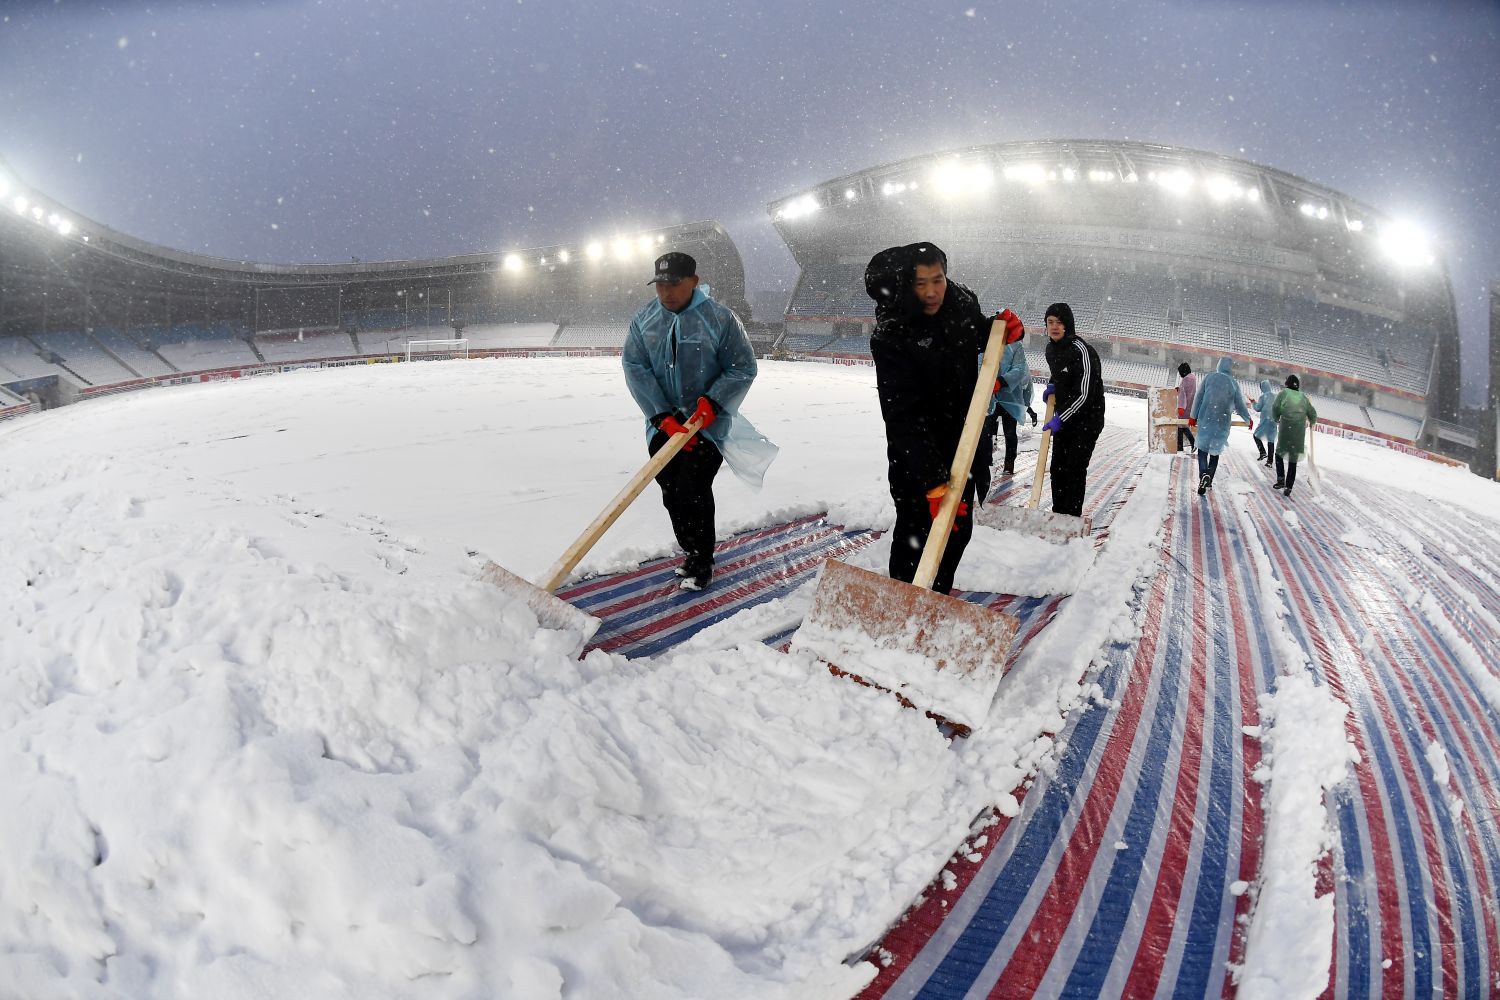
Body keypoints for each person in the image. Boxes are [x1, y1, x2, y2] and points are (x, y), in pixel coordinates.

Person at [865, 242, 1022, 595]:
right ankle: (902, 608)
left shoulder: (961, 305)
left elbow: (969, 334)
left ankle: (935, 600)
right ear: (907, 284)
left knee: (957, 534)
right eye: (921, 284)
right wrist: (932, 482)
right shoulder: (893, 333)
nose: (933, 291)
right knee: (916, 536)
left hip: (963, 446)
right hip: (917, 458)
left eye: (938, 280)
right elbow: (902, 415)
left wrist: (999, 329)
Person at [622, 252, 774, 591]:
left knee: (693, 489)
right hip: (662, 423)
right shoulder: (644, 319)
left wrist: (713, 401)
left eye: (674, 284)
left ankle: (702, 558)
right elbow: (635, 367)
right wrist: (661, 414)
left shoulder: (719, 319)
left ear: (693, 281)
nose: (666, 293)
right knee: (671, 490)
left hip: (706, 424)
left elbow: (743, 367)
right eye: (660, 285)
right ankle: (690, 548)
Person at [1040, 303, 1105, 518]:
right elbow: (1061, 375)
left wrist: (1061, 417)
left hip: (1087, 420)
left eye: (1060, 322)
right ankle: (1058, 515)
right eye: (1050, 322)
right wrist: (1053, 384)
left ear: (1068, 325)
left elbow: (1084, 394)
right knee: (1058, 469)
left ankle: (1072, 518)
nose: (1055, 327)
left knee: (1074, 470)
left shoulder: (1082, 351)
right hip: (1065, 417)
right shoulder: (1051, 349)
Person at [1188, 356, 1252, 496]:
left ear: (1219, 365)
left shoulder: (1209, 378)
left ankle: (1203, 474)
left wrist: (1193, 416)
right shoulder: (1234, 384)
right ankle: (1209, 477)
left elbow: (1198, 397)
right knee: (1215, 451)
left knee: (1203, 450)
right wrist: (1248, 419)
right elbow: (1240, 405)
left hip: (1206, 418)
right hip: (1222, 422)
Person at [991, 309, 1033, 476]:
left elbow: (1020, 369)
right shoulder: (988, 341)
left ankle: (1009, 463)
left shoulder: (1016, 346)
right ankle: (987, 460)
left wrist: (1002, 381)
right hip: (990, 397)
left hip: (1010, 398)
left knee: (1010, 432)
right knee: (987, 430)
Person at [1272, 373, 1317, 497]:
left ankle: (1281, 478)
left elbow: (1276, 407)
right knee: (1293, 459)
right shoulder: (1303, 397)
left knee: (1279, 453)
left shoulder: (1284, 393)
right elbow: (1312, 412)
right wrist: (1313, 421)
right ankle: (1289, 486)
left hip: (1286, 429)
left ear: (1287, 384)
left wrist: (1276, 417)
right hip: (1298, 433)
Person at [1251, 378, 1278, 467]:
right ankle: (1270, 461)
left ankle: (1262, 452)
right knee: (1271, 440)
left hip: (1265, 420)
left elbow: (1258, 408)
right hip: (1273, 420)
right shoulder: (1276, 396)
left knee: (1256, 435)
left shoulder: (1263, 397)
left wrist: (1253, 402)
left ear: (1262, 388)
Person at [1176, 362, 1198, 454]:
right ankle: (1189, 444)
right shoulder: (1193, 378)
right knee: (1183, 426)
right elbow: (1187, 392)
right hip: (1190, 406)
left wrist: (1181, 407)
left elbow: (1182, 395)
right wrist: (1179, 389)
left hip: (1184, 407)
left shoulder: (1186, 379)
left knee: (1180, 426)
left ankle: (1181, 447)